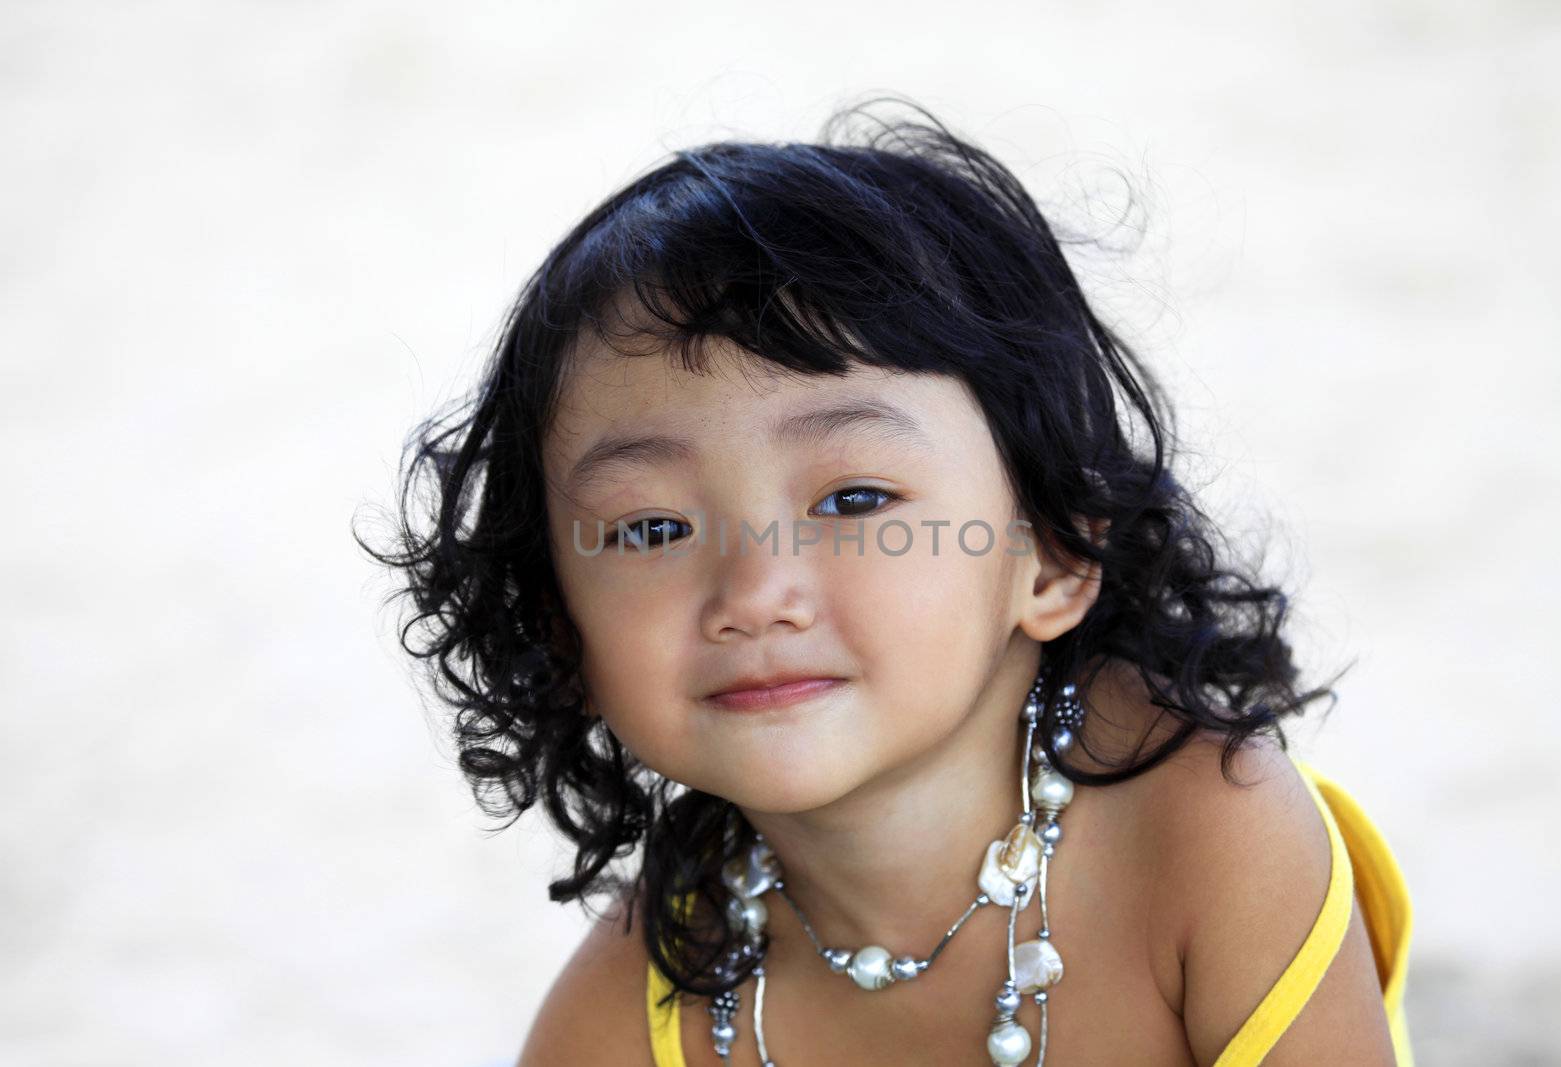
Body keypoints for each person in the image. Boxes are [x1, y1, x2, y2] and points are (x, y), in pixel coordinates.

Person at [366, 96, 1413, 1065]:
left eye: (854, 500)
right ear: (560, 628)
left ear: (1048, 552)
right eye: (651, 526)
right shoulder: (622, 1021)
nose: (754, 592)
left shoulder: (1205, 838)